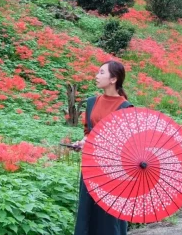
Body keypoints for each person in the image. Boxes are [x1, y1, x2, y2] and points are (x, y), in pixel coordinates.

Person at [70, 60, 134, 235]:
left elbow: (124, 143)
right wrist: (83, 142)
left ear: (113, 79)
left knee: (108, 216)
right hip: (92, 166)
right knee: (88, 212)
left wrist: (93, 143)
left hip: (113, 170)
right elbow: (88, 132)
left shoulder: (125, 107)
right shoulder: (92, 102)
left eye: (101, 73)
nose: (96, 76)